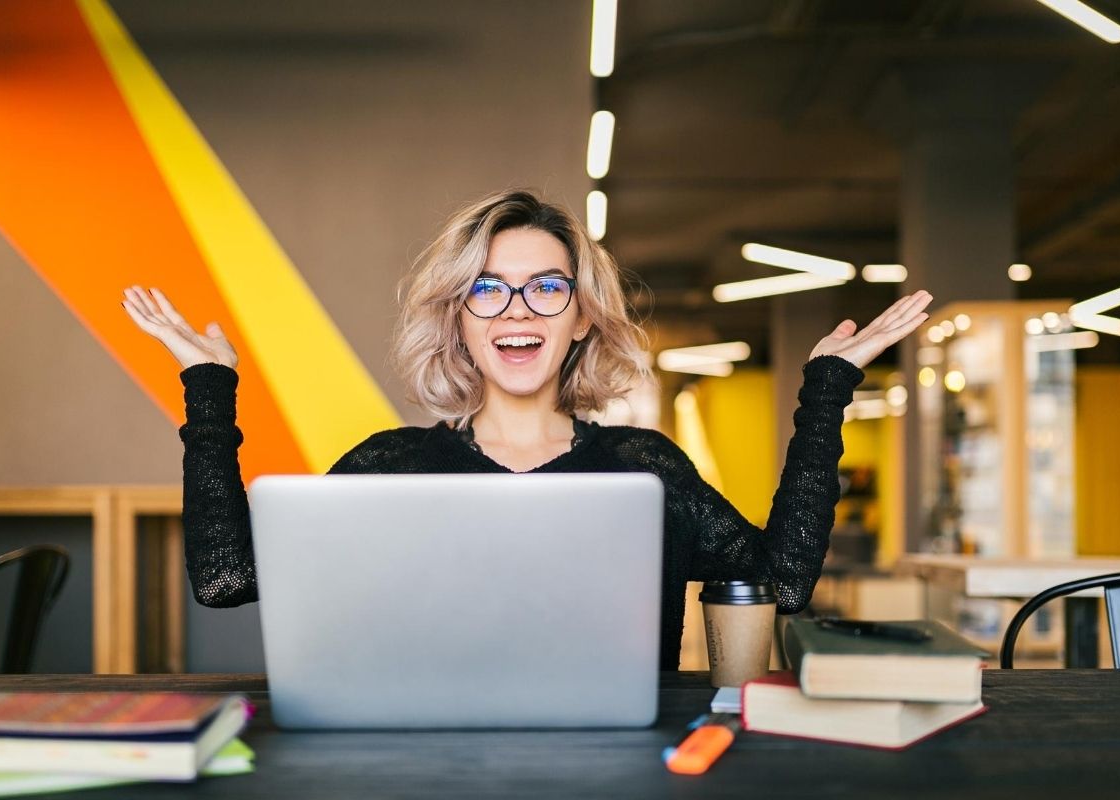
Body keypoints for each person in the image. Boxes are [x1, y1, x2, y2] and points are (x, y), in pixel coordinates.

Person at [122, 189, 932, 670]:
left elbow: (781, 583)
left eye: (547, 286)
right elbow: (227, 580)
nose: (516, 310)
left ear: (582, 317)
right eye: (488, 290)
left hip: (620, 773)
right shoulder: (391, 467)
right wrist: (209, 392)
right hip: (428, 771)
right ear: (459, 321)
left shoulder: (642, 469)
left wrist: (827, 392)